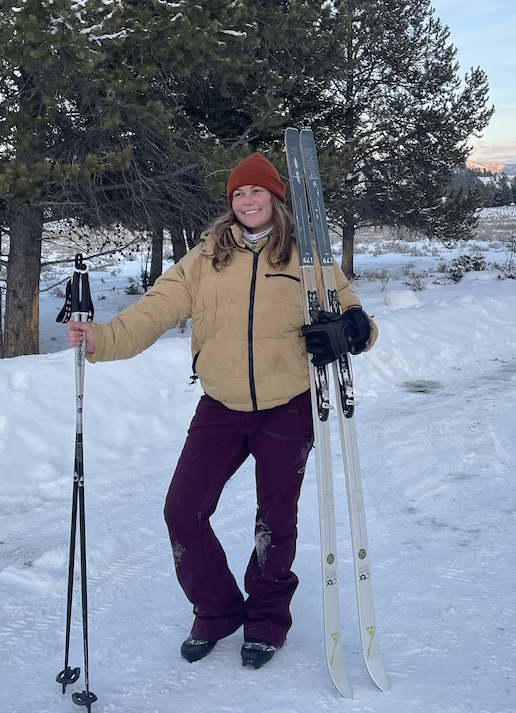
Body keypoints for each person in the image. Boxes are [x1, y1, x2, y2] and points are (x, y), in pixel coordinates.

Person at [66, 151, 376, 670]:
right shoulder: (206, 256)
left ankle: (267, 621)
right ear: (230, 203)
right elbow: (154, 309)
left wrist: (351, 331)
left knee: (274, 524)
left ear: (275, 199)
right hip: (221, 405)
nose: (247, 200)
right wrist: (101, 338)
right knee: (182, 511)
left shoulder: (307, 255)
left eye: (256, 192)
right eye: (238, 193)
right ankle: (215, 611)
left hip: (289, 405)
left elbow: (356, 317)